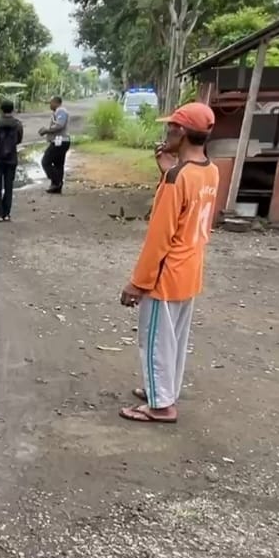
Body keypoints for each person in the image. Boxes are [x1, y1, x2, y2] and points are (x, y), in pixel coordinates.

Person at [119, 102, 219, 424]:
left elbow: (159, 237)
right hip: (190, 269)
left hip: (166, 274)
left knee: (155, 340)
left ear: (182, 133)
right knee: (174, 339)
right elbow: (189, 211)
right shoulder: (210, 171)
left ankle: (160, 406)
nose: (167, 133)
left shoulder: (177, 178)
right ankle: (163, 391)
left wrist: (138, 282)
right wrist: (167, 171)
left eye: (171, 128)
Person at [0, 100, 25, 222]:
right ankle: (6, 214)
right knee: (9, 187)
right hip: (11, 158)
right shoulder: (18, 124)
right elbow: (19, 140)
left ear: (1, 110)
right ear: (12, 110)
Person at [38, 95, 71, 194]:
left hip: (60, 141)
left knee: (45, 161)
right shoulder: (57, 112)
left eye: (51, 102)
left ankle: (56, 182)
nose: (50, 105)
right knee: (58, 164)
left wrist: (46, 130)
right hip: (60, 141)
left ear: (56, 102)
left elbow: (60, 125)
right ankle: (56, 186)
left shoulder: (61, 111)